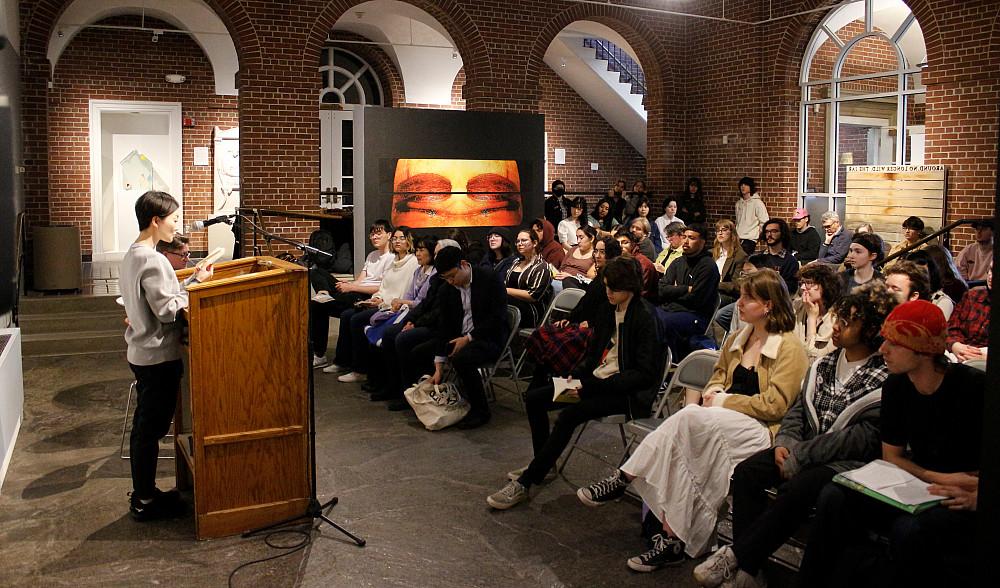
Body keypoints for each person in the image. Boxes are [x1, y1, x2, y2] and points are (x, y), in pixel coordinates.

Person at [576, 269, 808, 572]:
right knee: (685, 452)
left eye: (747, 298)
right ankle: (671, 540)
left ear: (768, 305)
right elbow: (718, 377)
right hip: (717, 421)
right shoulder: (740, 336)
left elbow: (776, 405)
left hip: (760, 428)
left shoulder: (789, 346)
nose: (738, 303)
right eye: (739, 295)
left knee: (687, 418)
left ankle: (625, 478)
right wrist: (713, 392)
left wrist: (722, 399)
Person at [696, 284, 898, 588]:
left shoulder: (882, 376)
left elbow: (859, 438)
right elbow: (797, 410)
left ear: (869, 329)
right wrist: (785, 445)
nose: (837, 325)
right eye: (838, 317)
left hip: (843, 463)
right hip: (799, 447)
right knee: (748, 473)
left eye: (848, 321)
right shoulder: (826, 363)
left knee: (801, 486)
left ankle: (741, 559)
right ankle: (752, 570)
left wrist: (800, 455)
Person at [797, 300, 983, 587]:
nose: (882, 349)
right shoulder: (896, 385)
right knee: (834, 496)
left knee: (909, 530)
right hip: (923, 483)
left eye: (894, 343)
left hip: (963, 497)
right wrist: (937, 477)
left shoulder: (974, 388)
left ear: (922, 350)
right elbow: (892, 457)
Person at [486, 257, 659, 509]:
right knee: (535, 398)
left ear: (630, 287)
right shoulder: (609, 310)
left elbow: (643, 374)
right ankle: (543, 463)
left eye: (613, 288)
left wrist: (588, 385)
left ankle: (526, 482)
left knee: (570, 415)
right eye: (606, 286)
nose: (608, 292)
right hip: (593, 384)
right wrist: (576, 376)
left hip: (625, 395)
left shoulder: (644, 317)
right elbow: (592, 355)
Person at [120, 191, 213, 521]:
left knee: (145, 427)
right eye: (173, 219)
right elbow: (168, 311)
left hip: (141, 352)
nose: (177, 225)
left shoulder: (134, 253)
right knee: (149, 430)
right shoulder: (154, 259)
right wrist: (196, 283)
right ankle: (144, 499)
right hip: (157, 356)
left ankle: (145, 493)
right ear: (155, 221)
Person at [414, 247, 509, 429]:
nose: (451, 281)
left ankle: (480, 410)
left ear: (464, 265)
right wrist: (439, 365)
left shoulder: (489, 279)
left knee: (462, 359)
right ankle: (431, 402)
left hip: (488, 337)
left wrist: (469, 338)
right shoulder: (447, 289)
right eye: (446, 278)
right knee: (418, 351)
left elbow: (497, 318)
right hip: (460, 336)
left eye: (452, 276)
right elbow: (445, 326)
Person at [325, 227, 418, 382]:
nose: (397, 241)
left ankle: (360, 369)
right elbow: (384, 286)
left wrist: (382, 301)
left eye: (401, 238)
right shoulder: (393, 261)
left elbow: (405, 292)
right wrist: (376, 298)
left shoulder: (412, 262)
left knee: (356, 319)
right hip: (380, 302)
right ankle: (344, 361)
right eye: (395, 238)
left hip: (394, 307)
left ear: (409, 240)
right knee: (347, 314)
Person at [362, 236, 438, 403]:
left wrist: (404, 304)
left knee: (395, 336)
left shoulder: (434, 274)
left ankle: (402, 389)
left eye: (422, 250)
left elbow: (423, 303)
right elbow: (410, 295)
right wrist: (401, 303)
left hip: (421, 316)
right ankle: (385, 382)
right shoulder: (418, 271)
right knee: (376, 329)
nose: (418, 254)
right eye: (417, 250)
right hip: (408, 312)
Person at [310, 220, 393, 368]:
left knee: (317, 306)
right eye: (372, 234)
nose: (374, 237)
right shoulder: (372, 255)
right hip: (354, 290)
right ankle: (324, 292)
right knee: (316, 271)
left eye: (378, 233)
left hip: (365, 296)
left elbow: (382, 287)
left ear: (389, 235)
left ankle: (320, 355)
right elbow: (361, 279)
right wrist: (348, 285)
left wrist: (351, 288)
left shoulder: (391, 258)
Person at [654, 224, 721, 359]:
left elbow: (696, 299)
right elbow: (660, 290)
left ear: (702, 242)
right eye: (684, 237)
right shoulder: (678, 262)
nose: (686, 241)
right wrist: (685, 289)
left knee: (663, 322)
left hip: (695, 315)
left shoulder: (708, 266)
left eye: (691, 238)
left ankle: (669, 363)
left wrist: (672, 291)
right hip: (672, 309)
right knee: (644, 314)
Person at [794, 263, 843, 363]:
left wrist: (811, 319)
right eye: (802, 283)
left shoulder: (836, 318)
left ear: (825, 286)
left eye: (808, 282)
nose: (803, 287)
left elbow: (814, 360)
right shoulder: (797, 306)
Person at [505, 228, 553, 328]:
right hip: (511, 304)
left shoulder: (542, 267)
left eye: (524, 240)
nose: (519, 243)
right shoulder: (516, 262)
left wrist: (506, 290)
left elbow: (533, 296)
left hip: (531, 310)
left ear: (534, 243)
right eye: (517, 241)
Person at [946, 262, 990, 362]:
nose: (991, 276)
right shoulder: (972, 296)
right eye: (991, 270)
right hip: (961, 355)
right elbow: (951, 328)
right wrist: (955, 345)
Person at [904, 249, 958, 319]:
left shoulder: (942, 301)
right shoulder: (907, 295)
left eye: (923, 272)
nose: (918, 277)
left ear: (931, 273)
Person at [757, 218, 800, 293]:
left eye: (774, 231)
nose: (769, 235)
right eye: (767, 232)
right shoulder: (757, 258)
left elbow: (791, 288)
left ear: (782, 233)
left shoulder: (790, 261)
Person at [615, 228, 659, 301]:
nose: (620, 246)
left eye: (625, 242)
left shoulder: (643, 263)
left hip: (644, 304)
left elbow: (641, 293)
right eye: (617, 243)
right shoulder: (619, 259)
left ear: (633, 244)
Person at [714, 219, 747, 308]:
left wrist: (715, 284)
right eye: (718, 230)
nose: (720, 233)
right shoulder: (711, 253)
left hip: (727, 295)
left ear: (732, 233)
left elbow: (737, 285)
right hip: (710, 291)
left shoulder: (740, 256)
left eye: (724, 230)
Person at [556, 225, 598, 290]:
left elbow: (589, 279)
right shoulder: (572, 249)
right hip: (559, 279)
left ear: (591, 238)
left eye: (581, 238)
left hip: (577, 285)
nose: (578, 241)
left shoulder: (596, 255)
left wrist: (571, 277)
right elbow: (561, 268)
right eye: (577, 237)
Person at [735, 177, 768, 256]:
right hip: (738, 238)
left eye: (746, 185)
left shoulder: (757, 203)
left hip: (750, 239)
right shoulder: (738, 204)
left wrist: (758, 234)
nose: (743, 187)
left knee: (742, 258)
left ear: (750, 187)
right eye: (741, 185)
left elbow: (764, 221)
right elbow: (737, 221)